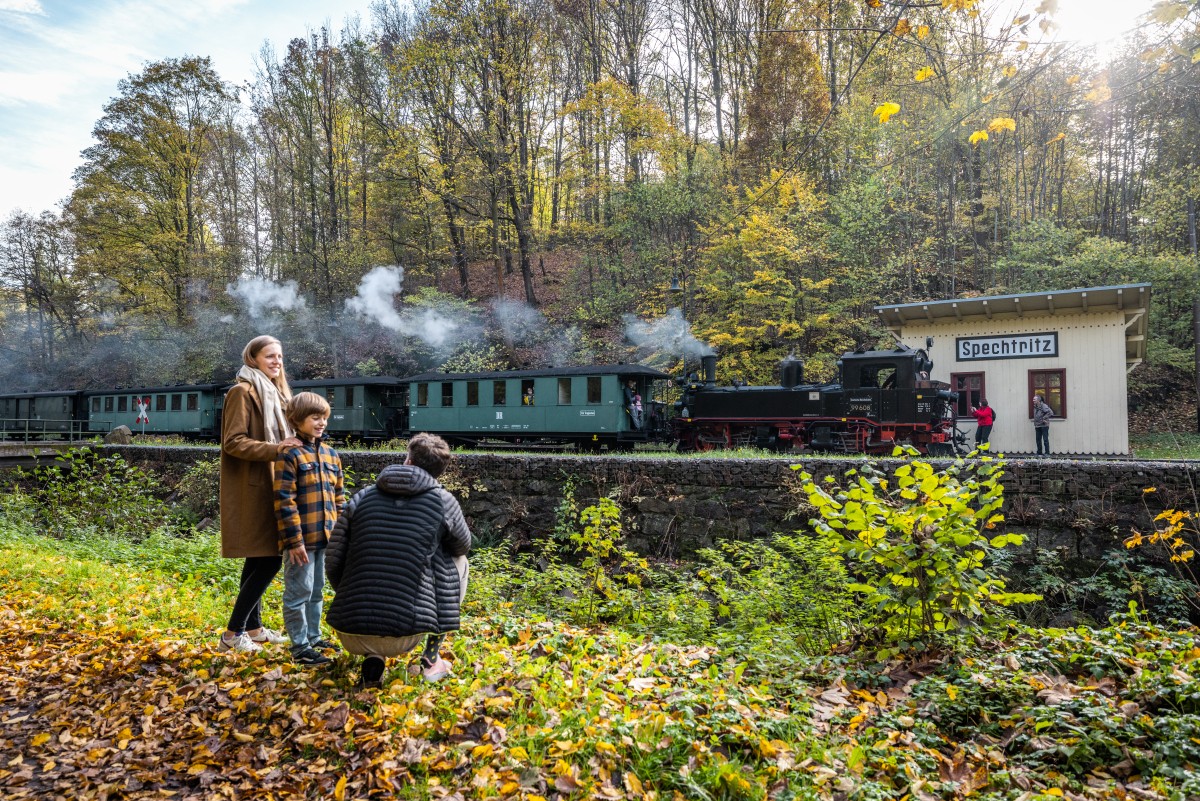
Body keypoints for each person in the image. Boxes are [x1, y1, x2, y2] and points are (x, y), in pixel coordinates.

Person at [326, 432, 472, 689]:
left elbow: (333, 559)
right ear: (440, 471)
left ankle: (373, 660)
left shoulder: (363, 496)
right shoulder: (443, 501)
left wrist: (351, 594)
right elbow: (463, 545)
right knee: (457, 559)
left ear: (407, 461)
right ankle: (432, 656)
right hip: (406, 634)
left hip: (348, 628)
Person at [219, 335, 299, 653]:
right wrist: (278, 449)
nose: (277, 362)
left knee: (258, 558)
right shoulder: (243, 391)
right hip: (253, 486)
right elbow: (233, 442)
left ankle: (252, 629)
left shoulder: (276, 393)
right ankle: (231, 634)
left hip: (273, 483)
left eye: (280, 356)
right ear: (253, 358)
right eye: (270, 356)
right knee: (269, 560)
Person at [274, 392, 345, 667]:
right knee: (298, 593)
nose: (322, 423)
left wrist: (340, 535)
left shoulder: (331, 454)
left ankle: (314, 638)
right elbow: (284, 501)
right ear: (297, 420)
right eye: (315, 417)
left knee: (317, 590)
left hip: (325, 538)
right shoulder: (290, 454)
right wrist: (294, 542)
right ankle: (299, 645)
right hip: (301, 541)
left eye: (324, 417)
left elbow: (339, 498)